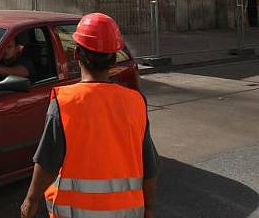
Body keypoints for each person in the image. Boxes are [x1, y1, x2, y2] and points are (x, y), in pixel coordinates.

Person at [20, 13, 159, 218]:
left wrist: (30, 201)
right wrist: (148, 209)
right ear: (113, 58)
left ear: (76, 53)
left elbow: (47, 162)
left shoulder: (65, 102)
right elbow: (150, 166)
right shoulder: (136, 102)